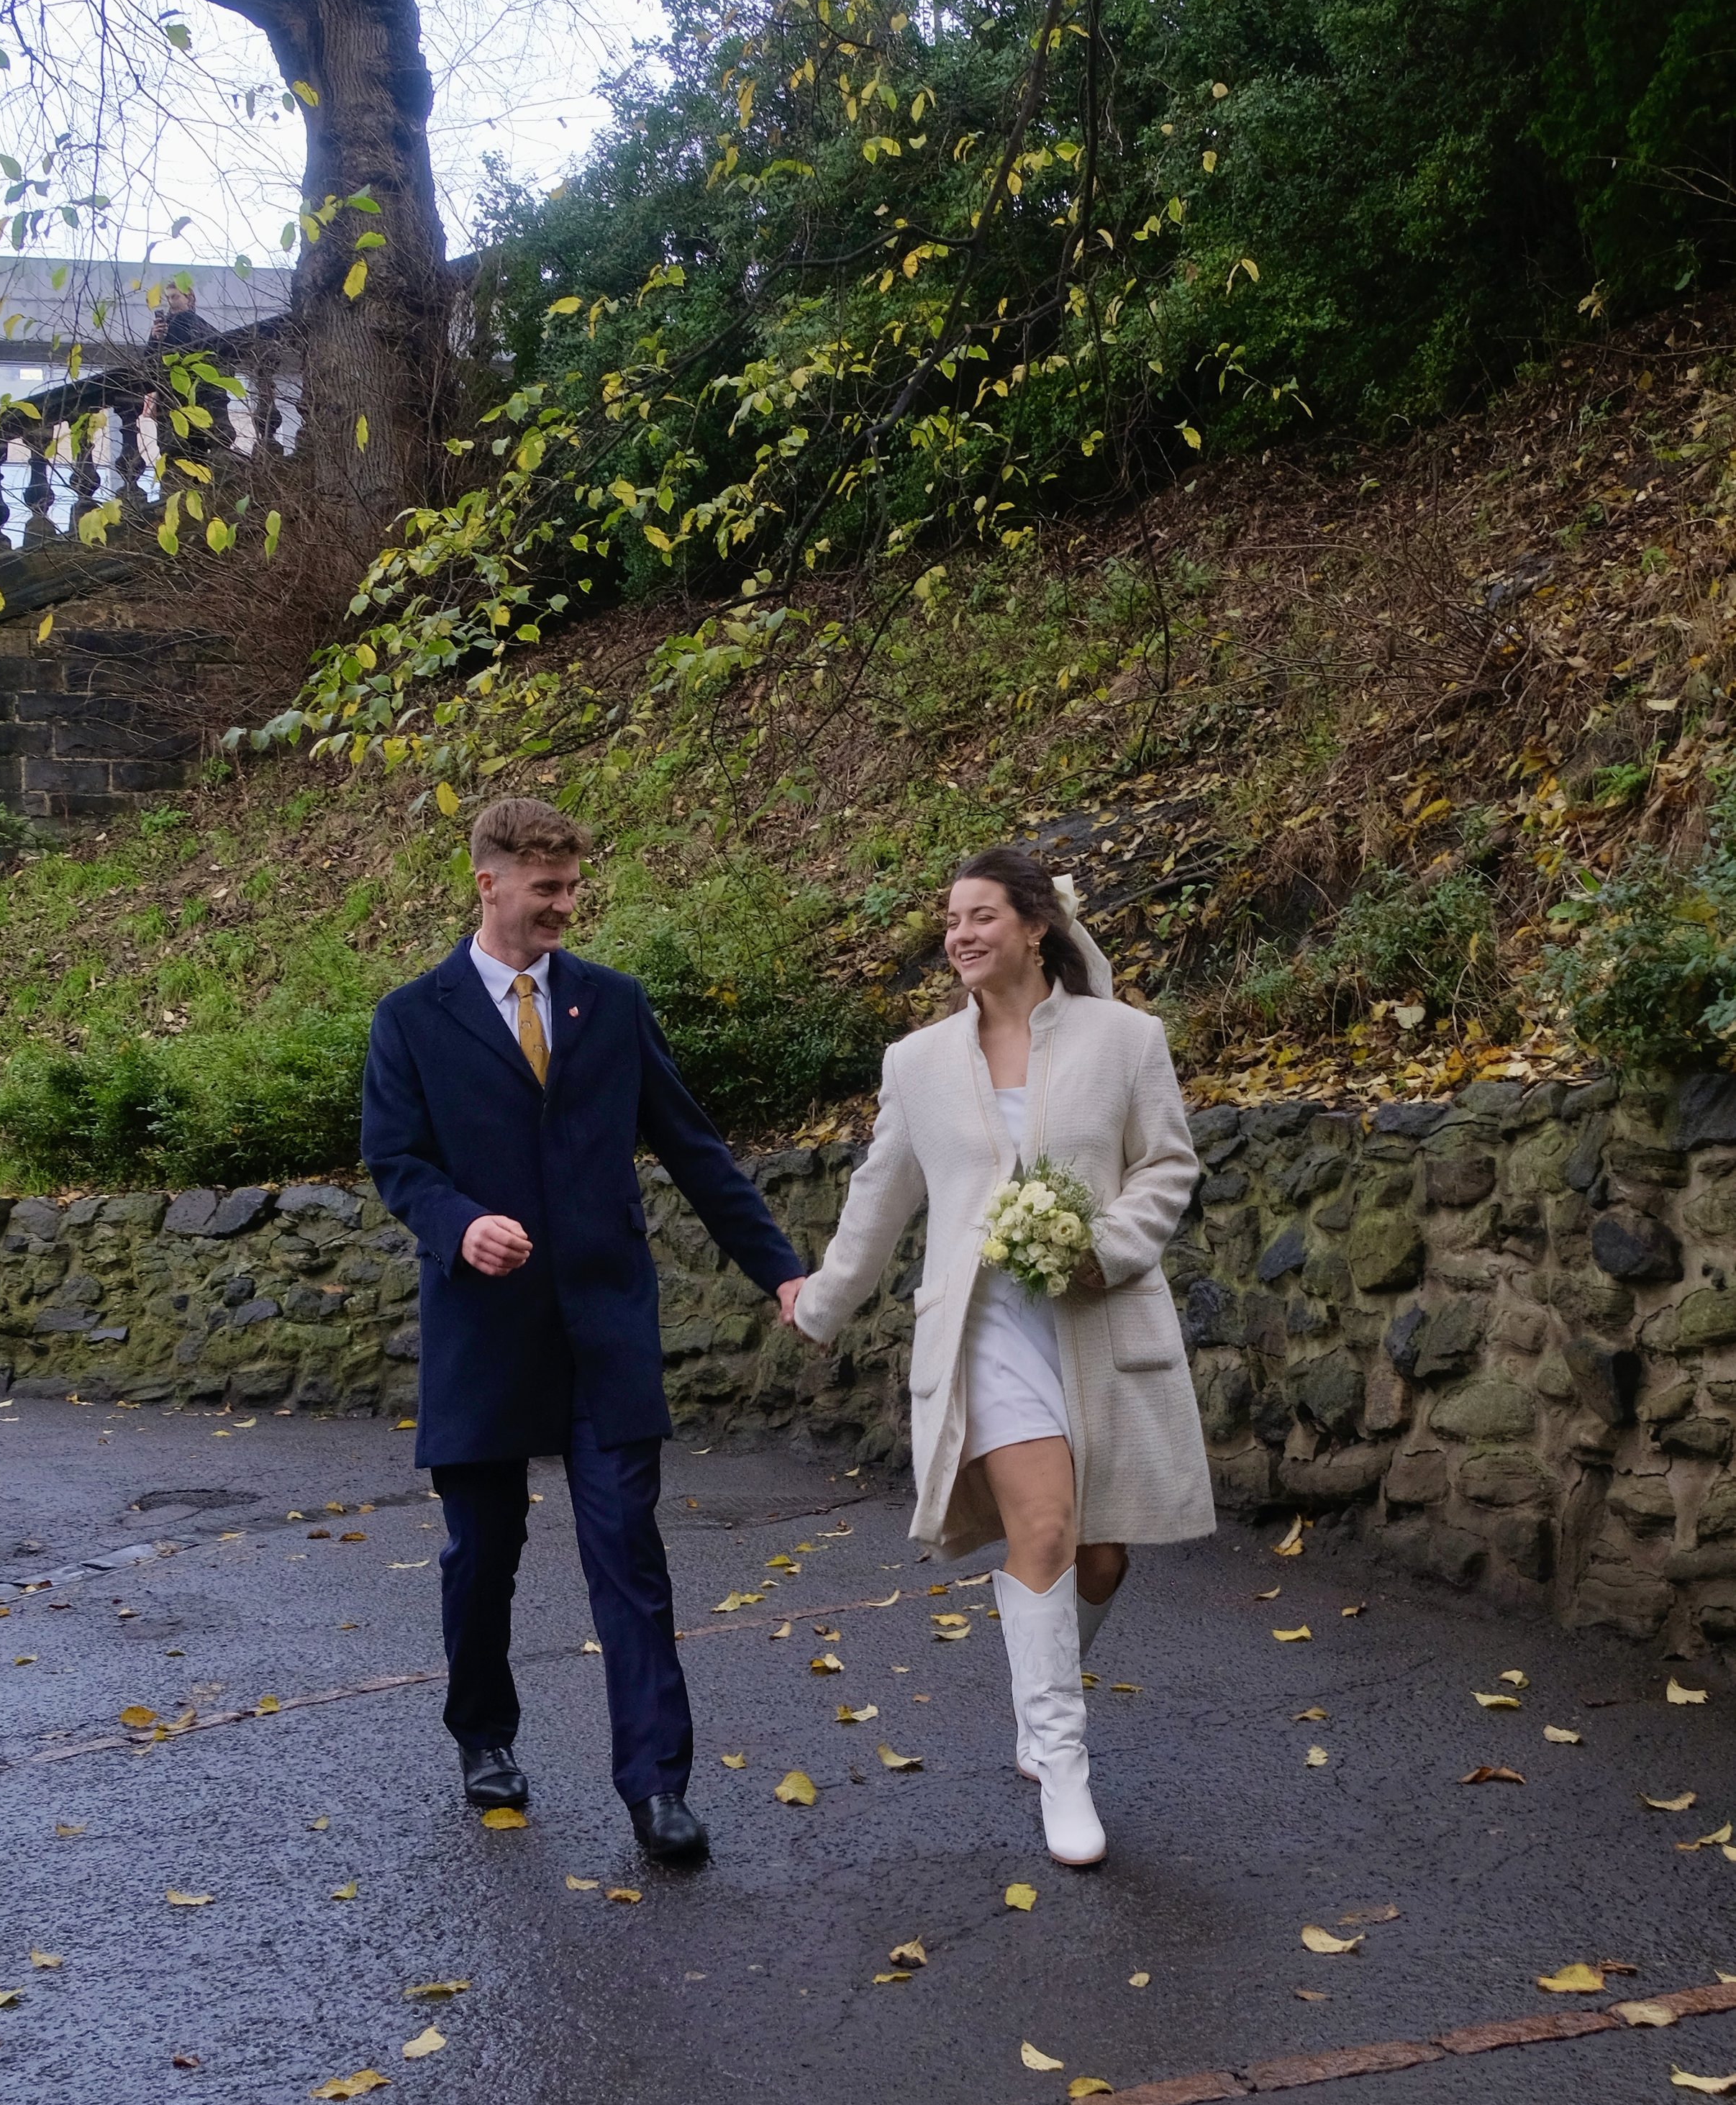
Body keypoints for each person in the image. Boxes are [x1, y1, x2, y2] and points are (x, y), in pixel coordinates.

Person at [360, 796, 807, 1860]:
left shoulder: (613, 1003)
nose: (567, 904)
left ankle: (657, 1789)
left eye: (572, 885)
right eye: (547, 887)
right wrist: (461, 1226)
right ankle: (484, 1736)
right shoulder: (411, 1017)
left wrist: (782, 1273)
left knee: (628, 1553)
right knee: (485, 1552)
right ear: (489, 883)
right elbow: (397, 1160)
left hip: (606, 1328)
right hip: (483, 1332)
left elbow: (695, 1151)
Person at [789, 847, 1212, 1867]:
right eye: (950, 920)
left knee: (1102, 1551)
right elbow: (881, 1194)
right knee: (1049, 1524)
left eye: (981, 916)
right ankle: (1062, 1762)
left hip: (1098, 1322)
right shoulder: (919, 1062)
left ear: (1035, 926)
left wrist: (1100, 1247)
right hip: (987, 1331)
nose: (961, 935)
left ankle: (1041, 1697)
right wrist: (823, 1300)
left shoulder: (1127, 1039)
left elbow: (1167, 1163)